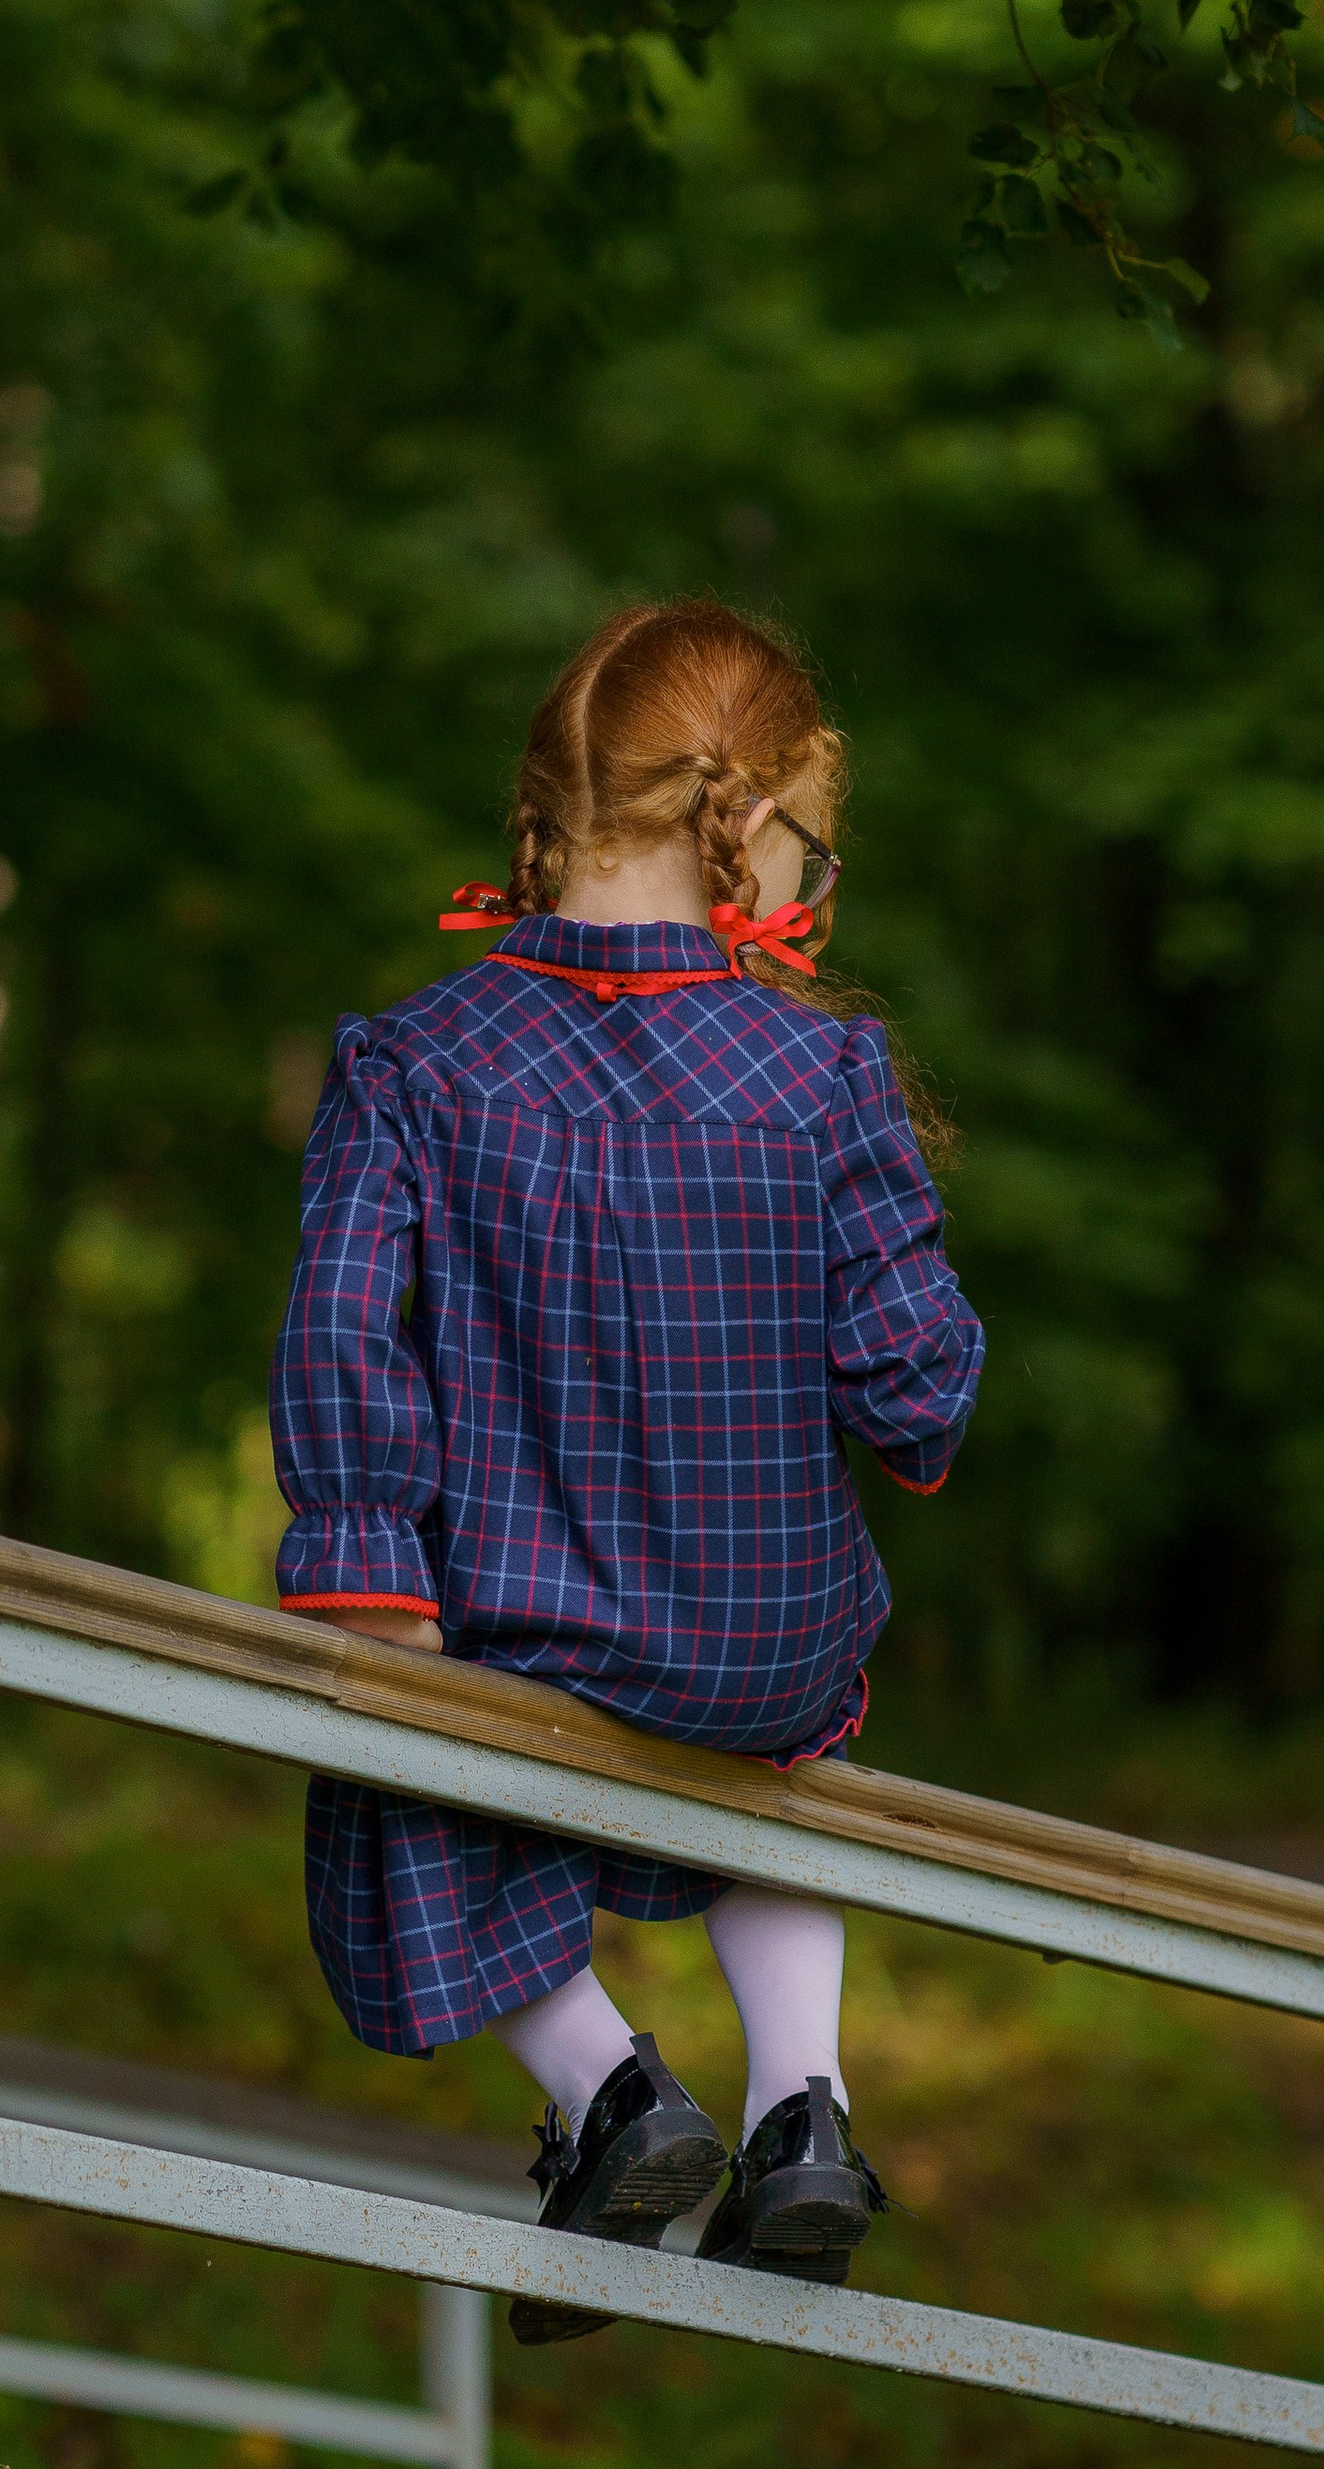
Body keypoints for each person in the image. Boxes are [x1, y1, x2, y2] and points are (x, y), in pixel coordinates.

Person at [268, 597, 981, 2341]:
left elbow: (343, 1334)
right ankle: (803, 2104)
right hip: (768, 1646)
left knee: (396, 1759)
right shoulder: (822, 1070)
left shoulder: (418, 1061)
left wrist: (369, 1560)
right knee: (792, 1751)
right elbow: (917, 1386)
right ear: (748, 827)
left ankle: (610, 2095)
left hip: (534, 1631)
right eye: (816, 844)